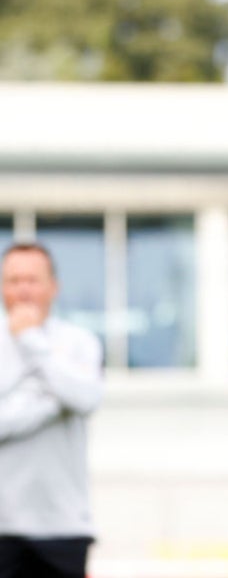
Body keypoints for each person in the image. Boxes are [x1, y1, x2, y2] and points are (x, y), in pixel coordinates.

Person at [0, 243, 103, 578]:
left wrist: (30, 339)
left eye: (32, 279)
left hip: (64, 527)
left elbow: (85, 399)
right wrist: (53, 396)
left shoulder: (79, 342)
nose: (23, 289)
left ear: (53, 287)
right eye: (14, 280)